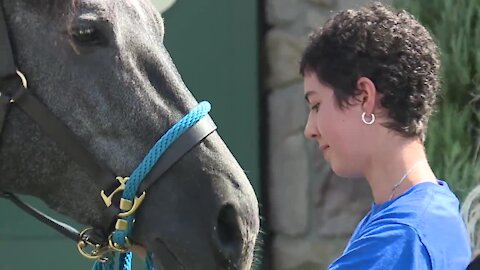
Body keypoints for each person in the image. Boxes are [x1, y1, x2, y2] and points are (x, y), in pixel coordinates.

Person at [300, 2, 471, 269]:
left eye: (316, 105)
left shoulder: (399, 239)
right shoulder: (435, 208)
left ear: (365, 97)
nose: (309, 129)